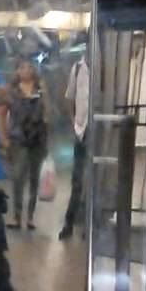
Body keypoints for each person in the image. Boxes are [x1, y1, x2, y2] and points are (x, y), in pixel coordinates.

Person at [0, 58, 49, 230]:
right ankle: (17, 216)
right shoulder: (9, 91)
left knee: (34, 178)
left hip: (38, 139)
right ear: (17, 71)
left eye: (29, 67)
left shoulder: (41, 89)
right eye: (22, 67)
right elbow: (0, 114)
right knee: (18, 178)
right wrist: (3, 138)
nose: (26, 70)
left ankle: (30, 217)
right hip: (18, 140)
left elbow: (48, 113)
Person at [60, 58, 89, 240]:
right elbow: (70, 97)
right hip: (81, 131)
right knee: (77, 180)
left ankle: (89, 225)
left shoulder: (109, 65)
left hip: (98, 128)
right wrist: (75, 123)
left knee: (95, 178)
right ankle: (69, 223)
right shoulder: (77, 67)